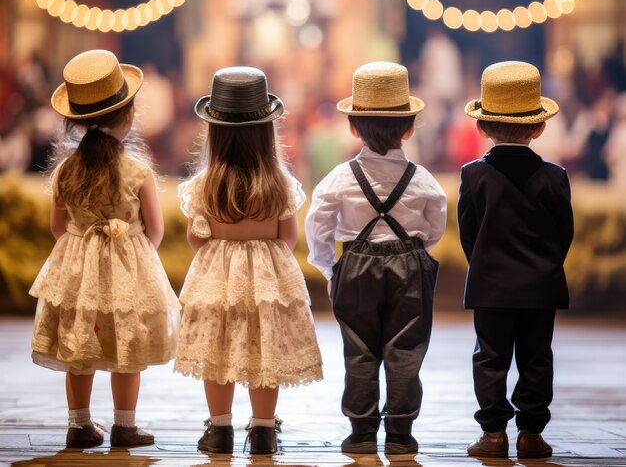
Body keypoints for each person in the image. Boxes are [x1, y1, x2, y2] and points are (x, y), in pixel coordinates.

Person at [29, 49, 180, 449]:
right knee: (127, 347)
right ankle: (125, 425)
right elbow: (156, 231)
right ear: (128, 114)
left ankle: (79, 425)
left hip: (78, 275)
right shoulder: (137, 171)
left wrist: (81, 253)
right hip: (129, 273)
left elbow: (57, 227)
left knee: (79, 349)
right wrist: (131, 255)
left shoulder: (64, 170)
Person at [174, 66, 323, 455]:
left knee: (216, 353)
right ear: (265, 132)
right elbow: (288, 238)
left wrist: (223, 253)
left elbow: (196, 236)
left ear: (215, 133)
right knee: (264, 352)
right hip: (268, 282)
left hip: (216, 280)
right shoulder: (278, 182)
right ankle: (263, 430)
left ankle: (219, 428)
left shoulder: (205, 184)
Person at [305, 62, 446, 455]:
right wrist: (415, 251)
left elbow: (317, 224)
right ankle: (401, 434)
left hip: (355, 266)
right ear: (409, 127)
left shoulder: (339, 177)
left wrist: (327, 267)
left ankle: (362, 432)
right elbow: (435, 226)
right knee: (406, 349)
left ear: (352, 127)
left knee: (359, 349)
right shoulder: (422, 179)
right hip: (409, 266)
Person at [458, 61, 574, 460]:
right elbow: (564, 234)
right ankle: (531, 434)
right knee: (537, 357)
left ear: (482, 126)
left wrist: (486, 263)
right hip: (541, 284)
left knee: (489, 358)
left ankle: (493, 435)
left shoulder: (473, 175)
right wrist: (543, 265)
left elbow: (468, 233)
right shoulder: (555, 176)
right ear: (539, 127)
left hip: (490, 284)